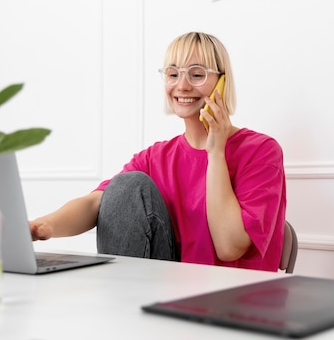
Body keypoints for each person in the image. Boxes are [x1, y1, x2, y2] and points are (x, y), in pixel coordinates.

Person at [30, 32, 287, 272]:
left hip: (228, 300)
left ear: (222, 81)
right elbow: (95, 202)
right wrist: (45, 226)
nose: (182, 86)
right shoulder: (156, 157)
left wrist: (216, 152)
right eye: (173, 74)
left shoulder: (261, 151)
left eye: (196, 75)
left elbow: (229, 248)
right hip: (164, 291)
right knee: (127, 185)